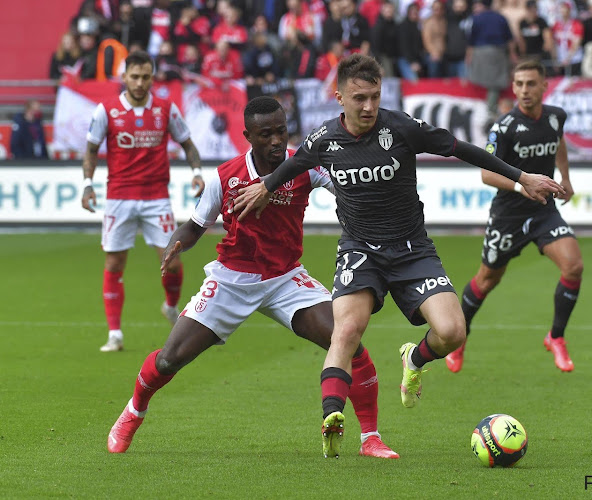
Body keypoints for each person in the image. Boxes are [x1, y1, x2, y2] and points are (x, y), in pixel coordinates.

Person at [230, 54, 564, 458]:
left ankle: (415, 358)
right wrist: (265, 186)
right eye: (359, 98)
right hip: (360, 251)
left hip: (411, 250)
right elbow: (293, 164)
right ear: (339, 97)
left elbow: (461, 149)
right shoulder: (323, 140)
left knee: (453, 332)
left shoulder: (402, 127)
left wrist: (521, 176)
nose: (368, 106)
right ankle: (332, 416)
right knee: (346, 331)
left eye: (374, 96)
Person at [106, 96, 399, 460]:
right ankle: (133, 412)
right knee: (169, 359)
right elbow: (196, 225)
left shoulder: (303, 164)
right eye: (266, 134)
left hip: (286, 278)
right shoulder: (226, 176)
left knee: (348, 339)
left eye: (281, 131)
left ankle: (370, 437)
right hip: (232, 279)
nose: (276, 140)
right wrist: (175, 244)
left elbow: (346, 184)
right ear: (248, 136)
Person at [445, 59, 583, 375]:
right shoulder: (504, 127)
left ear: (544, 85)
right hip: (508, 214)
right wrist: (522, 187)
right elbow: (486, 175)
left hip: (543, 210)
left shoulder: (555, 117)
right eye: (518, 84)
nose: (524, 90)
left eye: (530, 83)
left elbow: (557, 142)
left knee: (573, 266)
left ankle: (556, 337)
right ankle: (460, 338)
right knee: (487, 279)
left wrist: (565, 177)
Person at [80, 50, 204, 352]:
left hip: (156, 197)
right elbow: (91, 150)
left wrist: (197, 172)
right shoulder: (106, 110)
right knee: (114, 262)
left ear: (152, 77)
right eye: (134, 76)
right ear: (124, 78)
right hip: (119, 197)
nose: (139, 82)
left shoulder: (165, 108)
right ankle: (115, 334)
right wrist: (87, 184)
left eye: (145, 76)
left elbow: (187, 143)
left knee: (172, 260)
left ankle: (171, 306)